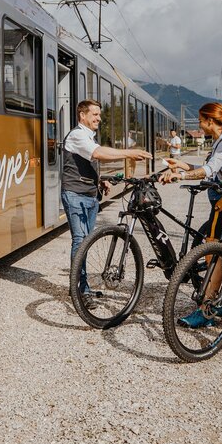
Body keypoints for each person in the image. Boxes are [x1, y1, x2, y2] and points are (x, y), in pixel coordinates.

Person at [160, 103, 222, 328]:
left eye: (201, 120)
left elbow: (208, 171)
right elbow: (214, 168)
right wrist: (183, 164)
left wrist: (180, 176)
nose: (199, 124)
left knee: (214, 256)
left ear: (210, 121)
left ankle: (206, 311)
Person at [63, 100, 152, 306]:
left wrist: (99, 179)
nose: (99, 118)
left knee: (85, 240)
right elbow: (97, 154)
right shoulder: (77, 134)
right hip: (76, 194)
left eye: (99, 114)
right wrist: (129, 152)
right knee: (80, 240)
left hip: (89, 194)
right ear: (82, 115)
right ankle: (79, 289)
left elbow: (88, 159)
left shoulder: (88, 136)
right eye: (94, 114)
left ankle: (79, 286)